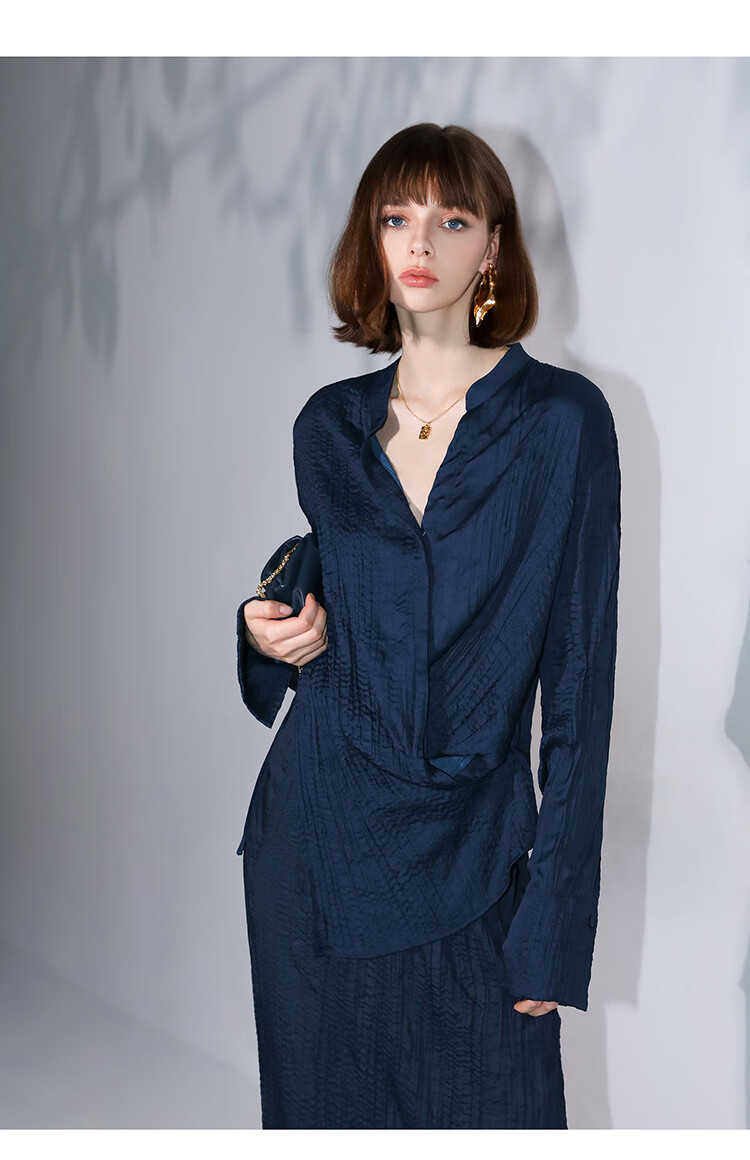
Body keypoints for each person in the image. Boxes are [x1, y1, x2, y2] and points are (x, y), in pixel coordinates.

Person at [234, 122, 621, 1129]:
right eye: (396, 217)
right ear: (371, 238)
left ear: (492, 246)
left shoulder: (562, 422)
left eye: (451, 220)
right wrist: (264, 632)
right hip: (317, 843)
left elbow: (581, 681)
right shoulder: (327, 426)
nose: (420, 241)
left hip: (473, 853)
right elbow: (351, 607)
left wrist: (554, 918)